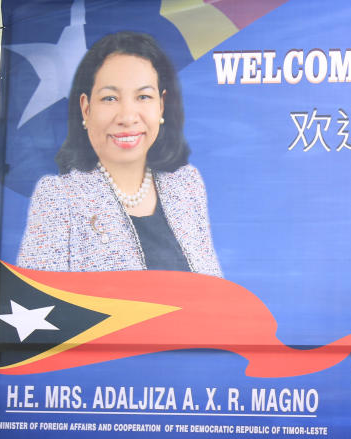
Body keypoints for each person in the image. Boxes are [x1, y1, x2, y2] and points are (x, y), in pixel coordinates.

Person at [17, 31, 222, 276]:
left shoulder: (186, 185)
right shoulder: (59, 199)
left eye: (143, 96)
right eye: (110, 98)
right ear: (86, 108)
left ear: (161, 106)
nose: (127, 117)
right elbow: (40, 300)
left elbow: (212, 289)